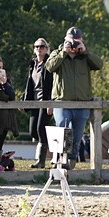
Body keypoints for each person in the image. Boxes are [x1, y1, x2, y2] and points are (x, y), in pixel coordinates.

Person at [45, 26, 103, 168]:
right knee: (62, 132)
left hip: (83, 103)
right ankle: (58, 161)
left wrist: (86, 51)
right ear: (66, 40)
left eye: (77, 41)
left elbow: (99, 64)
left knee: (77, 137)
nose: (74, 44)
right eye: (72, 41)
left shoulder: (85, 56)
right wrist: (63, 53)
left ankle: (70, 164)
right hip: (62, 102)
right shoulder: (57, 53)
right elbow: (49, 67)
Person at [24, 38, 55, 168]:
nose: (39, 48)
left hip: (46, 100)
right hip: (34, 101)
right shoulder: (33, 64)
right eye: (36, 46)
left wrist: (51, 103)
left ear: (47, 49)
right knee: (33, 132)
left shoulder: (49, 64)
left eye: (42, 46)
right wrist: (25, 100)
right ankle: (53, 143)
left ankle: (41, 161)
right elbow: (30, 85)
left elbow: (53, 84)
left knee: (41, 129)